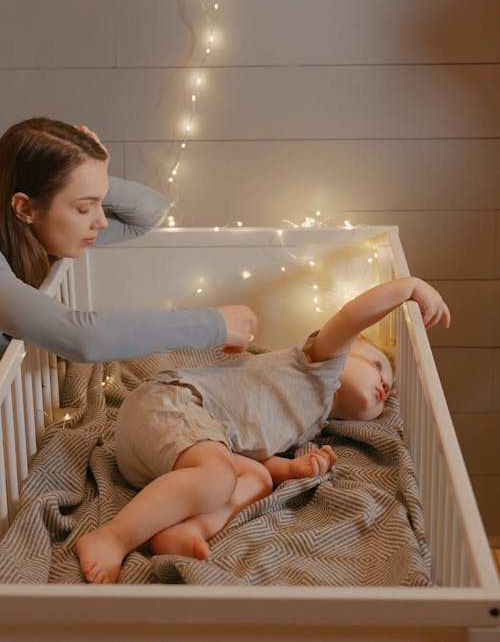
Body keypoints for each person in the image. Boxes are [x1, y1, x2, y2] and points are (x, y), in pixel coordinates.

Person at [75, 274, 450, 584]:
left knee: (256, 480)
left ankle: (188, 528)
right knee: (217, 477)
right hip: (170, 405)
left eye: (389, 392)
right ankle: (112, 538)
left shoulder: (312, 421)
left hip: (169, 456)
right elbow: (353, 316)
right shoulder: (318, 365)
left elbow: (244, 449)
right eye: (378, 365)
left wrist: (287, 469)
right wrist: (409, 288)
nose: (386, 385)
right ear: (350, 349)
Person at [0, 117, 257, 362]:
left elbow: (150, 214)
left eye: (99, 203)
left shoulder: (34, 232)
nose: (101, 222)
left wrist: (91, 176)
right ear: (25, 209)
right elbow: (83, 337)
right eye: (83, 208)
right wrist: (214, 324)